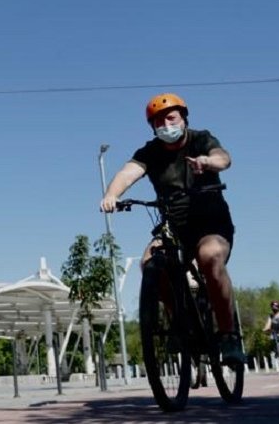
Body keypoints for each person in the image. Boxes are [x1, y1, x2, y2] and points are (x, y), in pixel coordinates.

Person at [100, 93, 243, 363]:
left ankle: (228, 335)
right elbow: (128, 173)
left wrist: (208, 162)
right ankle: (180, 321)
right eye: (158, 121)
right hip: (174, 226)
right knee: (149, 263)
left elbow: (223, 158)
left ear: (183, 118)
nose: (165, 124)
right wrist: (111, 195)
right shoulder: (150, 152)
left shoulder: (200, 139)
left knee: (209, 258)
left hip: (211, 223)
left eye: (170, 117)